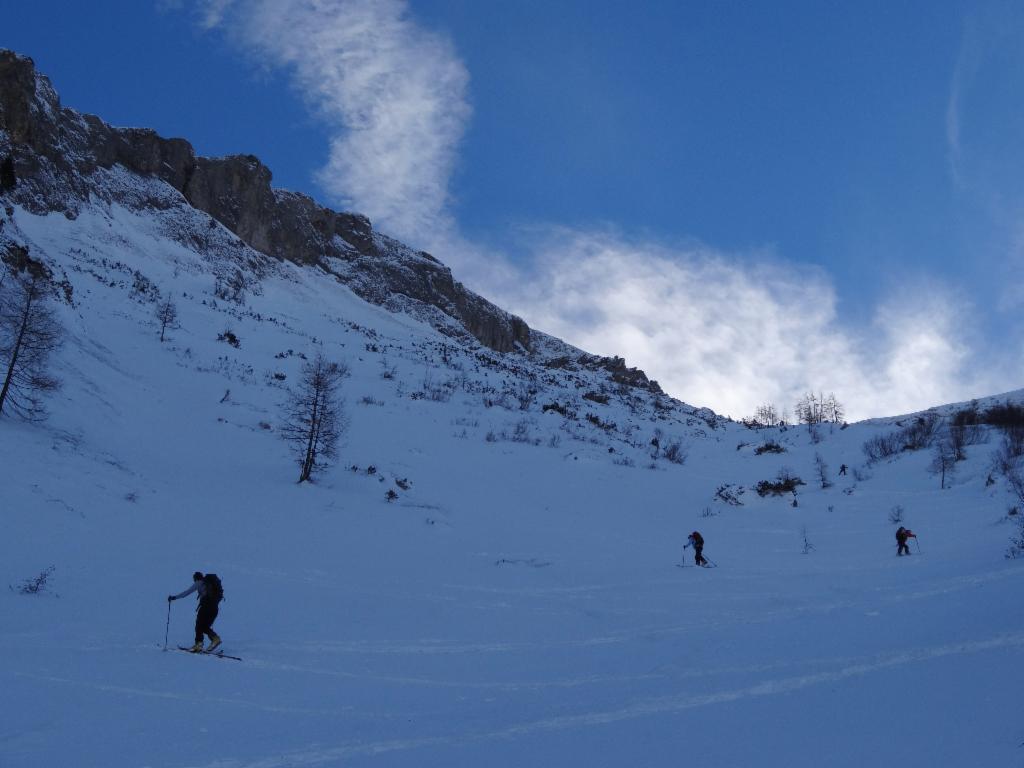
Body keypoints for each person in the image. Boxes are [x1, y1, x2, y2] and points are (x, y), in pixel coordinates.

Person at [169, 571, 223, 652]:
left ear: (196, 578)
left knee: (199, 625)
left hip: (206, 607)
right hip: (214, 608)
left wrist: (174, 597)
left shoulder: (199, 583)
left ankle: (198, 644)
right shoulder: (209, 585)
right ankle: (215, 639)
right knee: (204, 627)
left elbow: (186, 593)